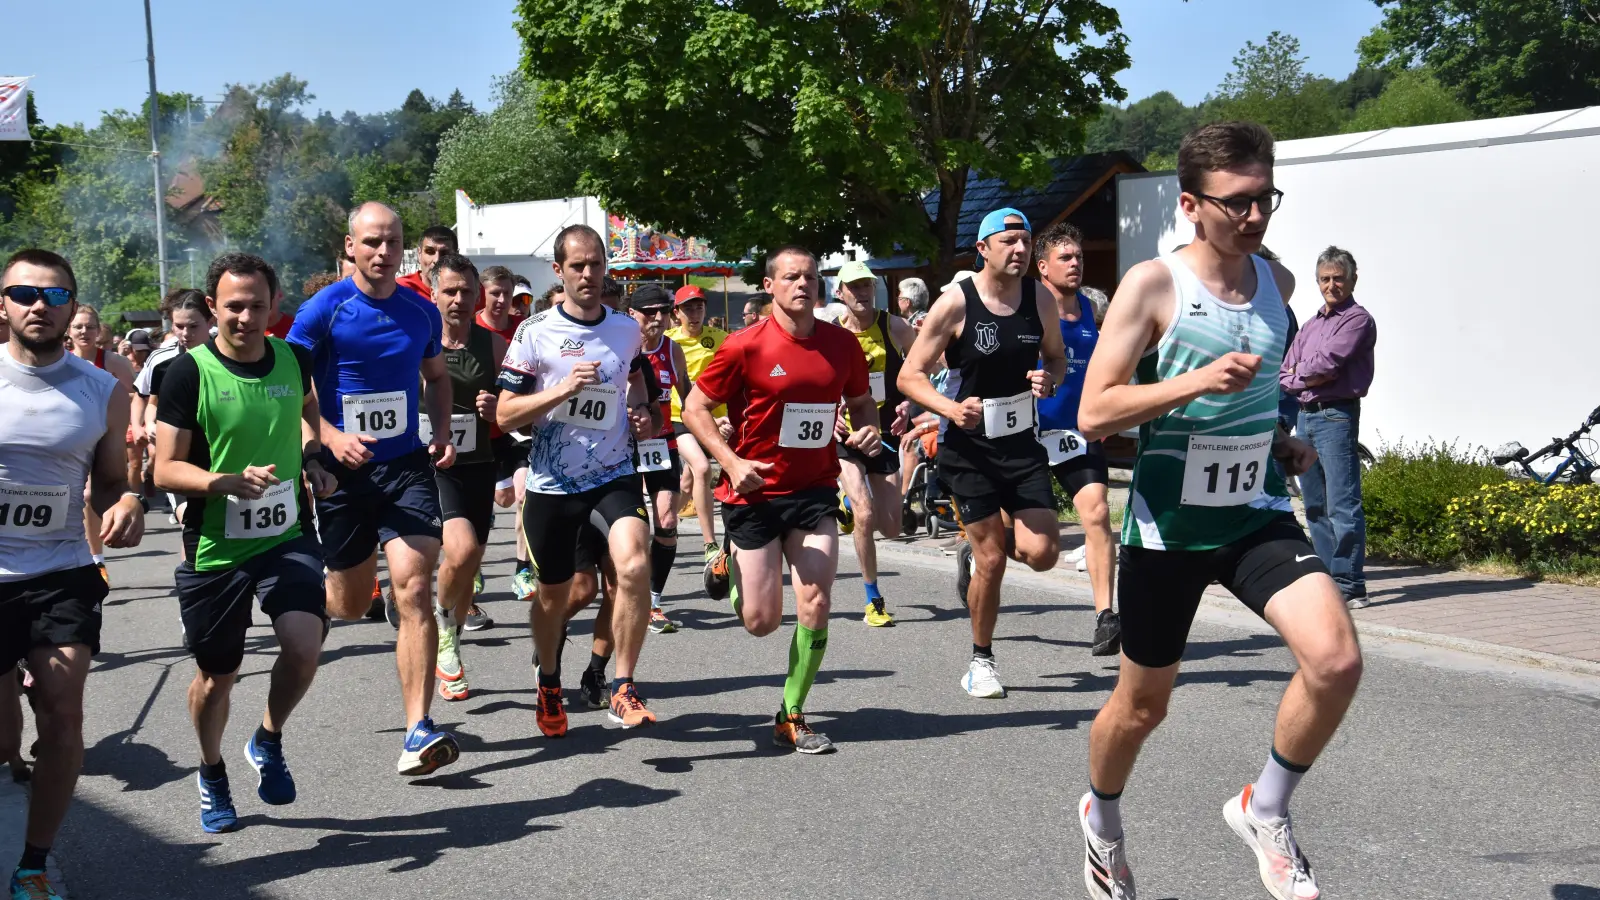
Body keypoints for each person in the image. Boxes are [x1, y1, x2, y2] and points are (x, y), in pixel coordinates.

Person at [1074, 121, 1363, 900]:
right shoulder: (1153, 284)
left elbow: (1257, 390)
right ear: (1192, 204)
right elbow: (1097, 412)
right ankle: (1101, 821)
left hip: (1252, 513)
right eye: (1238, 203)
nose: (1257, 217)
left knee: (1336, 659)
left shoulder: (1280, 283)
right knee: (1140, 709)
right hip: (1167, 532)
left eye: (1266, 198)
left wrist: (1280, 439)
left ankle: (1263, 808)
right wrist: (1194, 382)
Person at [150, 252, 336, 833]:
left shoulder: (292, 358)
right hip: (214, 542)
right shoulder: (186, 373)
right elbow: (163, 470)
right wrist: (220, 482)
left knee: (304, 643)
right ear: (213, 308)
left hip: (285, 531)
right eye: (233, 306)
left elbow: (308, 410)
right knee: (217, 676)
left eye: (257, 305)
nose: (246, 317)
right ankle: (211, 771)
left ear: (274, 307)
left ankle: (268, 737)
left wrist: (312, 457)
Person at [287, 201, 462, 776]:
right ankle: (362, 588)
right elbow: (292, 389)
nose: (383, 252)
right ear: (350, 246)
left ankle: (418, 728)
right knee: (343, 602)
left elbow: (437, 378)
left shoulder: (420, 311)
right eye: (372, 242)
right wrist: (327, 440)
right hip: (344, 472)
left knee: (415, 589)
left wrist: (439, 430)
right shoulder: (322, 311)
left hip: (404, 465)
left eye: (392, 242)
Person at [684, 244, 878, 754]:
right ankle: (726, 561)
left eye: (811, 276)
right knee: (761, 621)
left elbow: (861, 401)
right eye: (791, 277)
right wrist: (730, 463)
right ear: (769, 286)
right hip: (754, 492)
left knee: (816, 598)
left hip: (815, 489)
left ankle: (792, 713)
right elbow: (695, 408)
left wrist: (871, 429)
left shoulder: (842, 345)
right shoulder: (744, 346)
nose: (802, 284)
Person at [1, 249, 145, 900]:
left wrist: (125, 504)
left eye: (54, 296)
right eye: (24, 293)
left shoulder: (103, 392)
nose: (39, 305)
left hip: (62, 569)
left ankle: (34, 862)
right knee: (4, 732)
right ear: (2, 303)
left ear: (72, 307)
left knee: (61, 715)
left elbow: (113, 480)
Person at [496, 223, 662, 737]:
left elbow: (640, 389)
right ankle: (548, 680)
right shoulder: (533, 332)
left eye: (596, 264)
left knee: (634, 564)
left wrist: (640, 414)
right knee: (554, 597)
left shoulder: (626, 329)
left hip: (613, 474)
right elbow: (504, 415)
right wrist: (562, 389)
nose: (589, 274)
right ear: (559, 271)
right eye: (578, 266)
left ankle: (622, 685)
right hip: (551, 483)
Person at [897, 208, 1066, 699]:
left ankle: (976, 548)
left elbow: (1056, 357)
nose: (1019, 250)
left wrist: (1049, 378)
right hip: (968, 447)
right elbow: (910, 375)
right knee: (994, 561)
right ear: (984, 248)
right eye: (1009, 240)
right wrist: (950, 408)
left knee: (1042, 553)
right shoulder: (956, 303)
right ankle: (981, 660)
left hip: (1020, 444)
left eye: (1026, 241)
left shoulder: (1040, 298)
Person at [422, 253, 508, 702]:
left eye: (466, 291)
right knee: (462, 548)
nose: (458, 299)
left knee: (469, 561)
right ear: (433, 292)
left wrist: (498, 410)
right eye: (450, 291)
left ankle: (449, 627)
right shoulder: (418, 339)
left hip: (479, 461)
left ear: (477, 296)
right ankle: (442, 625)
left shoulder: (493, 345)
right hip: (434, 465)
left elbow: (515, 407)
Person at [1033, 222, 1121, 656]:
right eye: (1066, 258)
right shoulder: (1027, 308)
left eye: (1079, 257)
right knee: (1020, 541)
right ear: (1043, 266)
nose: (1076, 264)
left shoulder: (1090, 309)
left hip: (1078, 433)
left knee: (1098, 512)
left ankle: (1106, 616)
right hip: (1028, 433)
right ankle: (975, 558)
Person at [1281, 246, 1376, 610]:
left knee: (1343, 504)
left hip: (1337, 415)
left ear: (1352, 279)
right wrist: (1300, 375)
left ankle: (1351, 584)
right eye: (1325, 279)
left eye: (1338, 278)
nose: (1331, 285)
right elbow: (1288, 366)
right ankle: (1327, 581)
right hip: (1306, 416)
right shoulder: (1311, 324)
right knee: (1316, 505)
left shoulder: (1357, 320)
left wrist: (1298, 376)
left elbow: (1326, 364)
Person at [831, 260, 917, 626]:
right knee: (864, 515)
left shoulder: (894, 326)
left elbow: (921, 370)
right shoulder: (829, 333)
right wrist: (827, 411)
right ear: (840, 293)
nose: (862, 292)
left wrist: (909, 404)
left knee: (892, 528)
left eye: (867, 285)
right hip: (845, 434)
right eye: (854, 287)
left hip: (882, 433)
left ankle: (848, 500)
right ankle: (873, 600)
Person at [627, 284, 693, 633]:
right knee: (631, 528)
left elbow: (689, 395)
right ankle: (623, 592)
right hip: (623, 447)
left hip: (663, 445)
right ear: (633, 314)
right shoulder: (622, 348)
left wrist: (713, 424)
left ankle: (653, 602)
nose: (657, 318)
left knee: (666, 522)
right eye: (649, 311)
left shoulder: (673, 349)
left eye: (664, 311)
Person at [665, 285, 732, 598]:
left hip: (716, 421)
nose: (693, 314)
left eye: (698, 308)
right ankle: (710, 545)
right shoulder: (669, 342)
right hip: (680, 417)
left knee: (689, 478)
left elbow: (735, 379)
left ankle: (663, 525)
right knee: (702, 469)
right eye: (687, 308)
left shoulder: (721, 339)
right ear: (676, 313)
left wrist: (730, 417)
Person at [66, 306, 137, 585]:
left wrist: (128, 427)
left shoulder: (115, 363)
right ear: (69, 331)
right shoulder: (62, 362)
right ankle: (93, 558)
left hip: (109, 435)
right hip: (78, 437)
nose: (84, 332)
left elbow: (133, 398)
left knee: (92, 495)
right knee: (81, 497)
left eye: (90, 326)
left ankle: (96, 556)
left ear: (98, 330)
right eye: (78, 327)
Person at [136, 291, 215, 529]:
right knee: (191, 522)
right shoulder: (161, 361)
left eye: (193, 326)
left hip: (220, 454)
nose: (185, 333)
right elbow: (150, 401)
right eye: (179, 326)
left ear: (211, 321)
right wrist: (148, 425)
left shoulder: (230, 356)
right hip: (178, 456)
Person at [395, 225, 458, 300]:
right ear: (419, 254)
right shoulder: (400, 290)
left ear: (456, 256)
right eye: (430, 252)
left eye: (444, 253)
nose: (437, 260)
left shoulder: (468, 292)